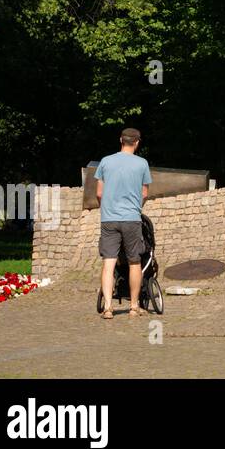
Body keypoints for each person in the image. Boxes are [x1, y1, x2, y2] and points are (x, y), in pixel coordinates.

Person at [96, 127, 153, 320]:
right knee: (134, 262)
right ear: (137, 142)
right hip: (131, 219)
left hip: (109, 219)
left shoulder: (105, 161)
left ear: (121, 139)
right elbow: (144, 193)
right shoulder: (142, 164)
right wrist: (136, 208)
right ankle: (134, 306)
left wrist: (105, 209)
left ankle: (109, 308)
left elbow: (99, 193)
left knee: (109, 263)